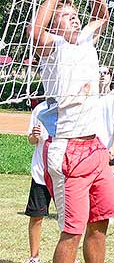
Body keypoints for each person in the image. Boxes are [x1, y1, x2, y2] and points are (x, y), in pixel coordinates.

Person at [31, 0, 114, 263]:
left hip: (95, 147)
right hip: (67, 149)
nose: (73, 18)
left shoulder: (85, 41)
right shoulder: (52, 49)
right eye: (65, 15)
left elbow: (102, 16)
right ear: (55, 26)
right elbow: (34, 30)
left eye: (75, 14)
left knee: (101, 221)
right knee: (72, 230)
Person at [25, 101, 50, 263]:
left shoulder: (71, 107)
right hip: (41, 173)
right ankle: (34, 257)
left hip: (64, 173)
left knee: (68, 218)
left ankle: (71, 256)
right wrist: (34, 136)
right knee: (36, 216)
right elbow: (31, 140)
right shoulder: (40, 109)